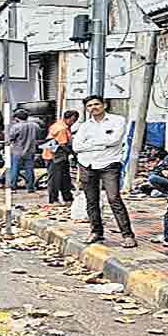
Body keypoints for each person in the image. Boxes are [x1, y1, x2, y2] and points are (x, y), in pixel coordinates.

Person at [74, 96, 136, 247]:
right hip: (87, 164)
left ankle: (127, 235)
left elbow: (115, 140)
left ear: (104, 105)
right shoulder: (84, 126)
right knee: (91, 200)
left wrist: (89, 144)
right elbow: (76, 147)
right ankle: (96, 232)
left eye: (96, 104)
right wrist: (102, 145)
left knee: (114, 198)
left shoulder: (118, 120)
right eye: (89, 105)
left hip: (110, 164)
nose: (93, 107)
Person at [44, 110, 78, 205]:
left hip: (58, 156)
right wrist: (73, 154)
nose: (73, 122)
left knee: (64, 178)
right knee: (55, 179)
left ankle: (67, 198)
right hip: (56, 157)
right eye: (72, 120)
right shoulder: (61, 128)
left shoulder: (59, 125)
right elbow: (63, 144)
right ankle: (54, 199)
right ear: (67, 118)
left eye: (75, 121)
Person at [6, 110, 40, 193]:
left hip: (17, 151)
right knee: (29, 170)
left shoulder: (16, 127)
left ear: (17, 118)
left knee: (15, 170)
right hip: (30, 151)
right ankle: (30, 188)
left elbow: (11, 138)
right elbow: (39, 134)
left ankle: (13, 187)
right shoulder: (34, 125)